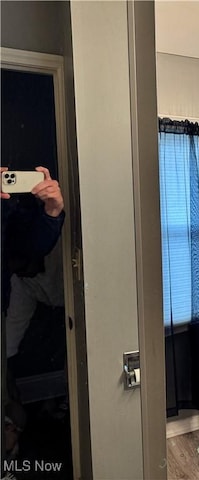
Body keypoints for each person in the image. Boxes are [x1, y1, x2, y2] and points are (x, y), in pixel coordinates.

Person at [1, 166, 65, 461]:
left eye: (25, 265)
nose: (23, 271)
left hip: (74, 298)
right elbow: (13, 329)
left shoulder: (59, 254)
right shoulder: (21, 280)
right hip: (47, 309)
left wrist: (53, 209)